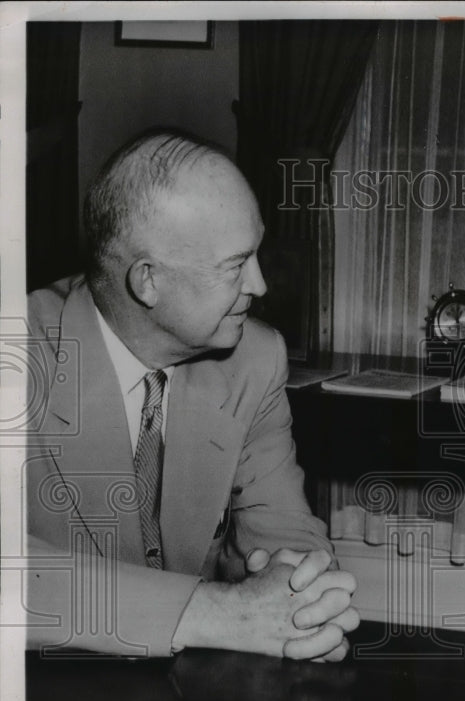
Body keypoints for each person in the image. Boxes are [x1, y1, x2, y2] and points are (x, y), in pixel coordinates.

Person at [24, 129, 359, 661]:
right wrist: (221, 614)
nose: (260, 285)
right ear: (147, 281)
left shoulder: (255, 358)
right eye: (235, 265)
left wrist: (305, 606)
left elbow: (284, 531)